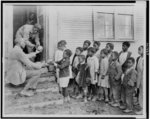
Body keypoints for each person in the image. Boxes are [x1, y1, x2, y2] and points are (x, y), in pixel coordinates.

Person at [135, 46, 144, 114]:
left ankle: (144, 109)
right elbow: (138, 69)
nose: (138, 51)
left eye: (140, 49)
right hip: (139, 77)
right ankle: (142, 107)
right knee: (141, 92)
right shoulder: (139, 58)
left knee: (144, 93)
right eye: (138, 49)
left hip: (144, 78)